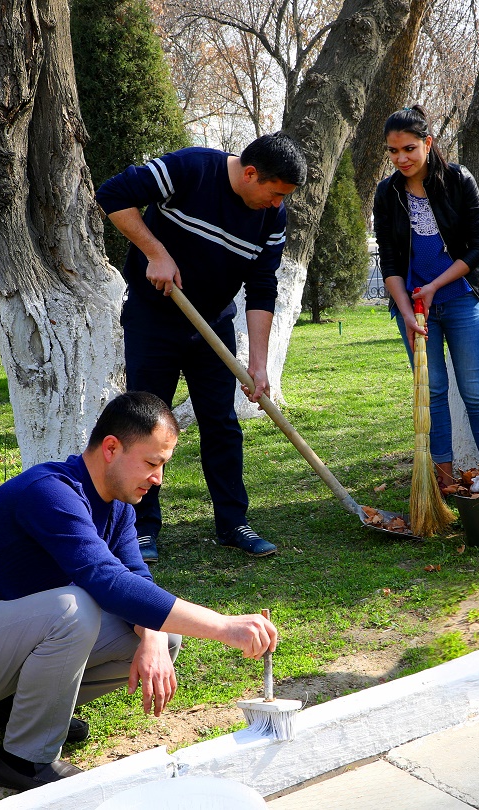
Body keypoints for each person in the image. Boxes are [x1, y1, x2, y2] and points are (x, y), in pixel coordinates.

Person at [0, 392, 278, 792]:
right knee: (75, 607)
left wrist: (151, 635)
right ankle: (23, 761)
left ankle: (11, 710)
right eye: (152, 463)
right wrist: (223, 626)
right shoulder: (49, 492)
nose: (159, 479)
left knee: (163, 637)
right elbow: (106, 581)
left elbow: (135, 579)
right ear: (112, 448)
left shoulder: (117, 508)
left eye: (163, 465)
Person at [96, 133, 308, 561]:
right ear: (250, 173)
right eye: (274, 193)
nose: (276, 204)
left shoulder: (272, 218)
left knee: (222, 424)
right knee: (145, 425)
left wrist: (260, 365)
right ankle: (140, 529)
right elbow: (112, 194)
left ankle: (234, 524)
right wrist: (156, 252)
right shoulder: (190, 169)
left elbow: (263, 286)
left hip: (212, 325)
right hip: (152, 320)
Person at [373, 105, 479, 487]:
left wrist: (434, 287)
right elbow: (390, 259)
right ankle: (443, 484)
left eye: (409, 148)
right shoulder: (387, 192)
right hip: (413, 308)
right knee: (433, 393)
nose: (401, 159)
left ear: (428, 143)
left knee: (476, 392)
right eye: (393, 151)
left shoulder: (459, 180)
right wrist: (407, 311)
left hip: (462, 298)